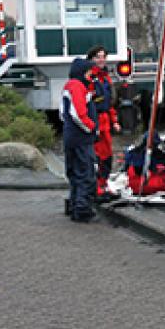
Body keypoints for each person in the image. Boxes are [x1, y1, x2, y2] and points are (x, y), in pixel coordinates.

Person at [60, 57, 98, 222]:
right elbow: (78, 113)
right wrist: (91, 127)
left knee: (74, 173)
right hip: (81, 138)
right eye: (89, 72)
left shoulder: (68, 87)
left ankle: (74, 205)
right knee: (86, 173)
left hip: (71, 137)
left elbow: (62, 113)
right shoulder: (77, 86)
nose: (91, 75)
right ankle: (82, 210)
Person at [86, 46, 121, 198]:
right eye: (98, 57)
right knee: (97, 155)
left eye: (103, 57)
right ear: (92, 59)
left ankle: (104, 182)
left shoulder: (105, 77)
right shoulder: (89, 78)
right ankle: (96, 185)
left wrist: (115, 121)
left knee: (107, 155)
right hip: (95, 120)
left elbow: (109, 103)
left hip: (106, 119)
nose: (101, 60)